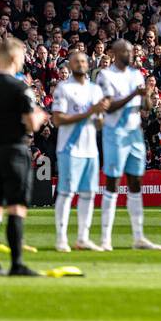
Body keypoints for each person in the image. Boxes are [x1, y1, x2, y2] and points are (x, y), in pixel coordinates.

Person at [0, 36, 48, 276]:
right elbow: (31, 123)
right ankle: (17, 264)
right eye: (21, 55)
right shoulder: (20, 87)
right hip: (16, 151)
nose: (23, 60)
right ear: (12, 57)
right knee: (16, 209)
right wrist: (40, 116)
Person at [95, 39, 160, 250]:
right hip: (115, 133)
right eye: (126, 50)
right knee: (113, 183)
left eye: (132, 50)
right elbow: (109, 107)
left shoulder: (136, 74)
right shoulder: (106, 75)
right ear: (114, 52)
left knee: (135, 183)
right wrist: (134, 94)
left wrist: (147, 96)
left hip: (135, 133)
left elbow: (146, 107)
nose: (130, 53)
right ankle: (105, 239)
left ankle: (139, 237)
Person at [50, 49, 108, 252]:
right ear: (69, 65)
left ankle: (83, 237)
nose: (81, 64)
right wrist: (89, 112)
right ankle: (61, 238)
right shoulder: (63, 89)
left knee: (88, 194)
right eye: (76, 61)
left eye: (83, 60)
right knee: (66, 193)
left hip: (90, 149)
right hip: (69, 148)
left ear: (89, 63)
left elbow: (99, 124)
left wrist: (100, 115)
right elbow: (57, 120)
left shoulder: (95, 90)